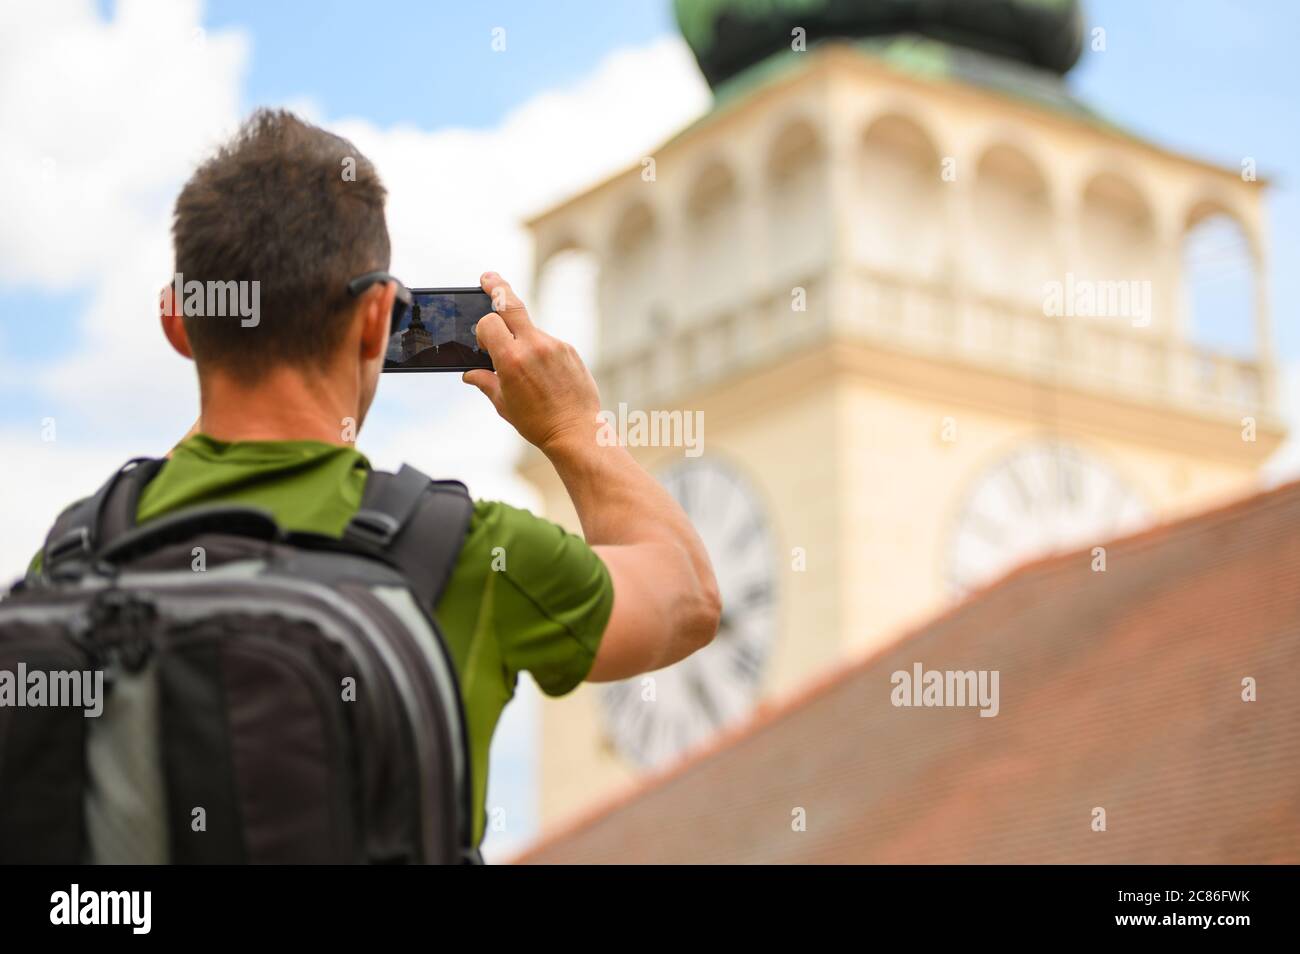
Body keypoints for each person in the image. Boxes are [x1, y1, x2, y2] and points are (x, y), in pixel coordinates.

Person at [29, 109, 722, 848]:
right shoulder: (465, 554)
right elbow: (687, 595)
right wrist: (575, 431)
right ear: (375, 321)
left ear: (177, 325)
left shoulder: (75, 552)